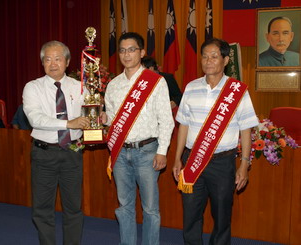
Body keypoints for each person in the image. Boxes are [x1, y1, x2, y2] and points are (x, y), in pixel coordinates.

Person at [173, 38, 258, 245]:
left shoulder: (237, 90)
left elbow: (246, 129)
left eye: (214, 56)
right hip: (192, 159)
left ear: (226, 60)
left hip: (222, 163)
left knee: (221, 216)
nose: (208, 60)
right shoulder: (191, 87)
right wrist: (177, 159)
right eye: (204, 56)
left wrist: (245, 164)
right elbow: (183, 125)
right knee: (191, 214)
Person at [103, 32, 174, 245]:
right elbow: (114, 120)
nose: (126, 54)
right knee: (124, 206)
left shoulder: (155, 81)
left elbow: (166, 120)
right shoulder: (113, 84)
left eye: (132, 49)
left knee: (150, 208)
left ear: (142, 52)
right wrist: (104, 119)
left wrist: (162, 150)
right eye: (122, 50)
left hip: (147, 151)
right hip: (120, 152)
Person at [22, 40, 90, 245]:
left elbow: (89, 114)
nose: (53, 63)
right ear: (42, 63)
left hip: (72, 152)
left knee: (73, 208)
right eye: (48, 59)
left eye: (58, 59)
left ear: (67, 61)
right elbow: (36, 120)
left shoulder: (81, 87)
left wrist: (98, 117)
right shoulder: (32, 87)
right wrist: (69, 123)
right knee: (42, 209)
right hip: (44, 154)